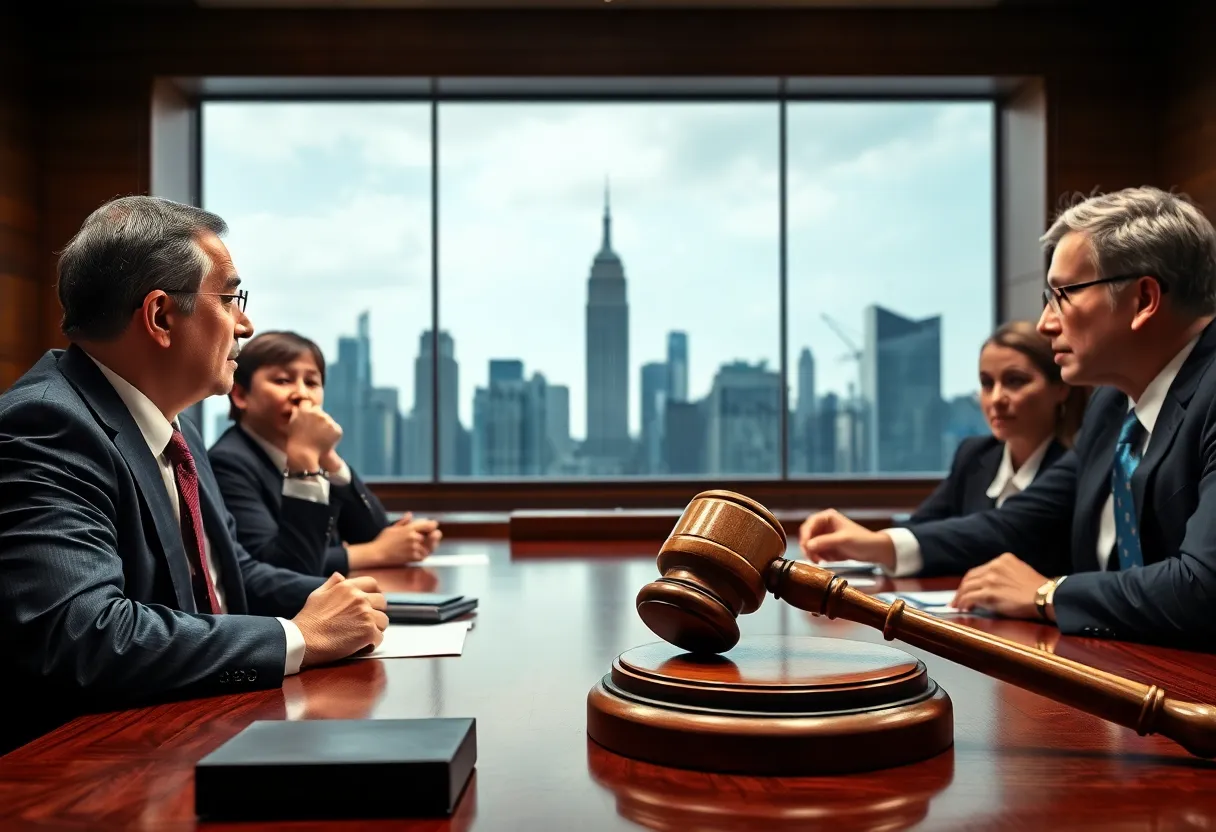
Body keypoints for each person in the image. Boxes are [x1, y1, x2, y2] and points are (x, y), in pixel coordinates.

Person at [0, 196, 389, 753]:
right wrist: (299, 636)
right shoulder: (46, 426)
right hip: (100, 762)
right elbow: (81, 634)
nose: (246, 324)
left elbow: (236, 579)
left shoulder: (174, 428)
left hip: (202, 724)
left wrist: (356, 604)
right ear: (160, 317)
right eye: (231, 298)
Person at [799, 186, 1216, 648]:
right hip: (1109, 673)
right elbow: (1021, 521)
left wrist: (1046, 594)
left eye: (1064, 295)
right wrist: (883, 545)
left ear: (1143, 299)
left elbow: (1204, 587)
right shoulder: (1111, 405)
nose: (1045, 323)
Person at [208, 330, 442, 577]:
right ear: (241, 395)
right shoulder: (229, 463)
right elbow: (279, 567)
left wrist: (330, 458)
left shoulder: (309, 452)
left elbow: (373, 533)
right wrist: (377, 552)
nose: (302, 394)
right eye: (282, 381)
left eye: (311, 382)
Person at [904, 320, 1087, 524]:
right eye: (987, 384)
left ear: (1061, 388)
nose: (996, 399)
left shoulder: (1077, 466)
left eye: (1015, 381)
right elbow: (918, 529)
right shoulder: (974, 455)